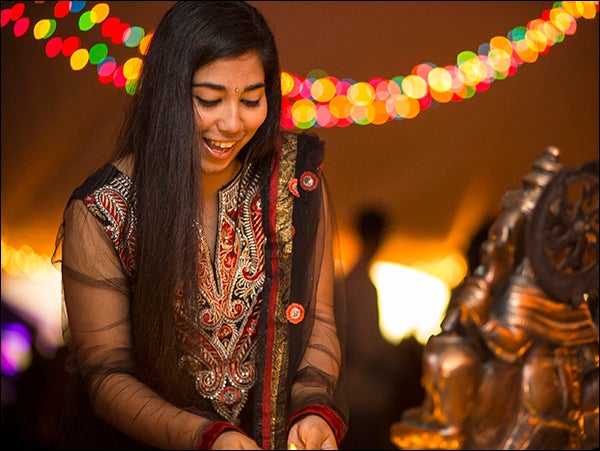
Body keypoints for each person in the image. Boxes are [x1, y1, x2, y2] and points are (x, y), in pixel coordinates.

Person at [51, 2, 348, 449]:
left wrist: (313, 409)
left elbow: (319, 321)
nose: (232, 123)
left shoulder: (293, 182)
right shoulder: (102, 211)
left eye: (251, 100)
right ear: (167, 93)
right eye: (209, 100)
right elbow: (107, 374)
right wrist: (207, 438)